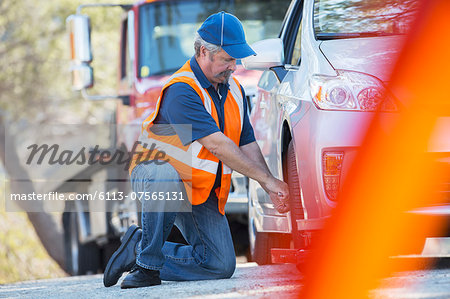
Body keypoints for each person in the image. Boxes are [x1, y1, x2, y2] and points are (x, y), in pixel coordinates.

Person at [103, 11, 290, 289]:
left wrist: (270, 186)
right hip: (158, 177)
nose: (234, 66)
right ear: (204, 52)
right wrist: (267, 180)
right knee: (164, 173)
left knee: (219, 264)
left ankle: (138, 247)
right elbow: (217, 144)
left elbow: (246, 143)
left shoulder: (235, 90)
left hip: (200, 190)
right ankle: (147, 266)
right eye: (227, 59)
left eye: (236, 59)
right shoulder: (182, 90)